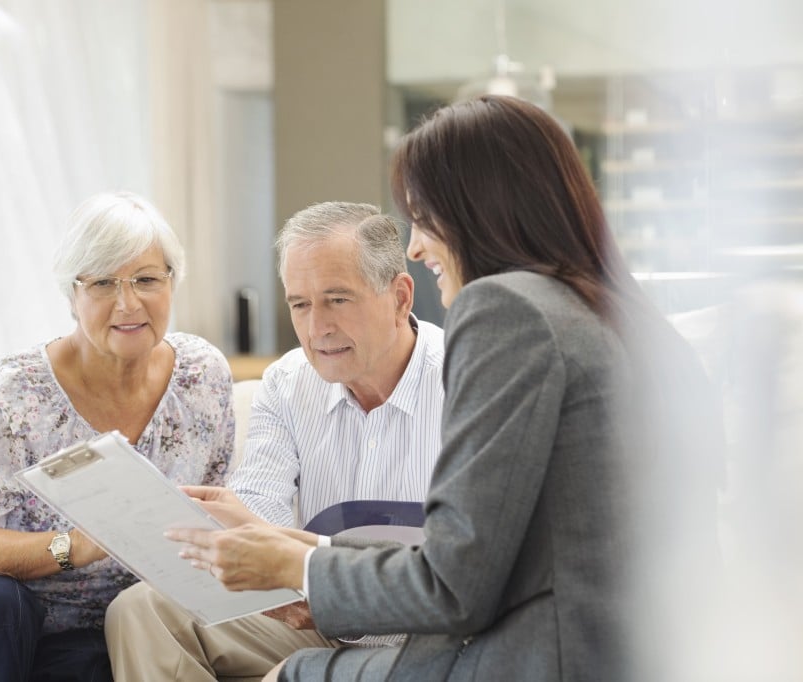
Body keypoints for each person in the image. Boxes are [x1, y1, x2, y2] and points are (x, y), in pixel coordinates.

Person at [167, 95, 723, 681]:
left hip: (536, 660)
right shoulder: (611, 317)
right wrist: (307, 555)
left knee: (295, 673)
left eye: (422, 216)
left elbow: (456, 585)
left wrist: (299, 566)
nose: (414, 244)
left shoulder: (508, 312)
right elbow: (490, 553)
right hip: (617, 656)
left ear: (478, 208)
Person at [0, 190, 234, 681]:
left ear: (172, 283)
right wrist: (72, 546)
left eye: (146, 279)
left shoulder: (201, 377)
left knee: (108, 654)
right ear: (72, 295)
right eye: (102, 283)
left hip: (77, 627)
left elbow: (208, 523)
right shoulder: (19, 394)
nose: (128, 303)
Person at [104, 202, 445, 680]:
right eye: (300, 304)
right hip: (321, 619)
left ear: (400, 297)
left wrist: (308, 568)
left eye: (337, 300)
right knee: (142, 608)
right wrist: (241, 535)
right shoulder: (287, 383)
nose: (315, 328)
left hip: (432, 632)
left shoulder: (467, 380)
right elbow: (260, 512)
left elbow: (463, 568)